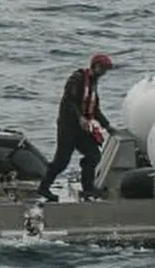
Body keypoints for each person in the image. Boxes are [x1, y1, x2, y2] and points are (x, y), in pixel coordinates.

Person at [36, 53, 117, 202]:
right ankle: (44, 187)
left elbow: (95, 109)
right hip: (68, 126)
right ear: (96, 66)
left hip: (83, 129)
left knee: (93, 154)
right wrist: (79, 117)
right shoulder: (77, 79)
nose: (104, 73)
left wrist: (107, 126)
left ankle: (88, 188)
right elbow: (69, 101)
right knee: (62, 161)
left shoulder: (93, 84)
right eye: (103, 69)